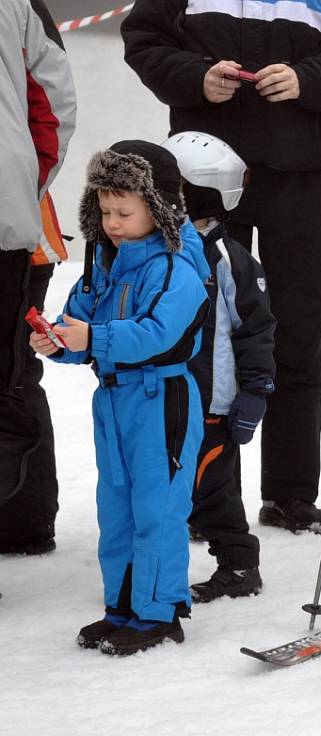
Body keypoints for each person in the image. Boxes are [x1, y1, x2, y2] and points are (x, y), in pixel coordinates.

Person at [120, 0, 321, 533]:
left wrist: (306, 79)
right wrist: (196, 77)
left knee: (298, 330)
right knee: (204, 335)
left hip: (304, 175)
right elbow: (143, 38)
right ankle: (204, 494)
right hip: (204, 175)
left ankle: (290, 493)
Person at [30, 141, 210, 655]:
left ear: (160, 208)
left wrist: (95, 338)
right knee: (117, 506)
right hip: (111, 400)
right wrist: (57, 341)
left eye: (124, 212)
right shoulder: (104, 264)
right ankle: (123, 608)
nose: (112, 222)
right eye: (105, 210)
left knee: (158, 505)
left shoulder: (177, 267)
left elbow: (158, 333)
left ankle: (158, 612)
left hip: (161, 396)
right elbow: (79, 324)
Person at [162, 131, 277, 603]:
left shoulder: (231, 261)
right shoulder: (163, 251)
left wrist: (255, 392)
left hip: (213, 403)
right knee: (172, 481)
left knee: (214, 488)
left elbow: (256, 330)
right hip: (170, 395)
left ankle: (238, 564)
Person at [0, 0, 76, 556]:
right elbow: (51, 99)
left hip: (13, 226)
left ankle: (22, 521)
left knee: (13, 375)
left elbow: (50, 99)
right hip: (11, 217)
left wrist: (23, 183)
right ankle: (21, 522)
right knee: (11, 376)